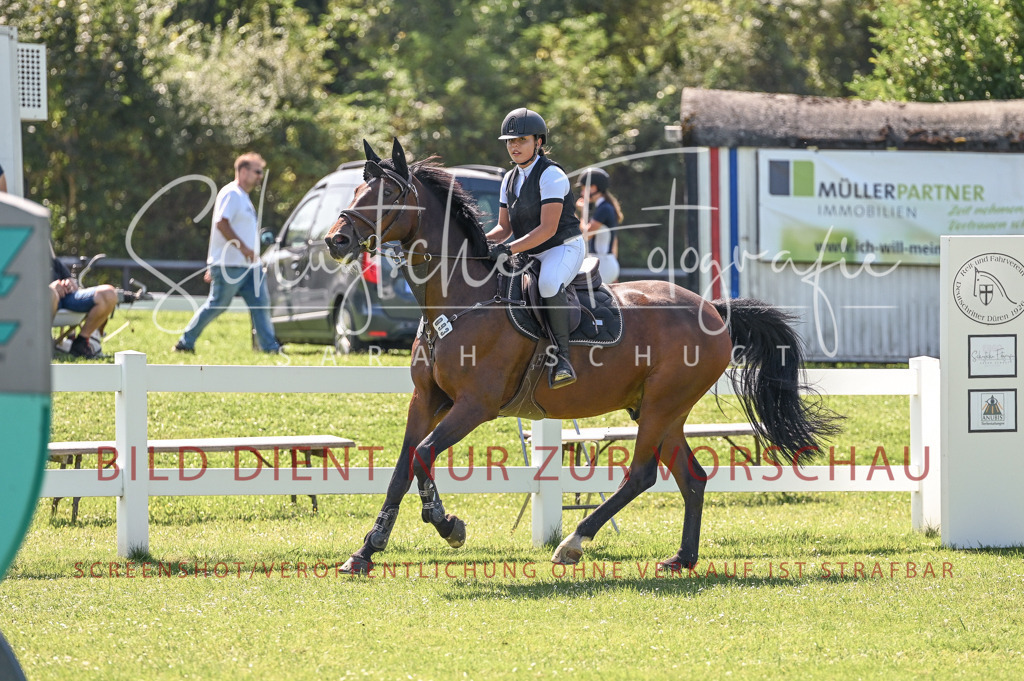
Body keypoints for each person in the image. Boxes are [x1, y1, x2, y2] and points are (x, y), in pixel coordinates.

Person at [485, 107, 585, 389]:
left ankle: (562, 359)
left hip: (562, 247)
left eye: (521, 140)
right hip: (529, 250)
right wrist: (480, 242)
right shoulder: (509, 179)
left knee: (550, 283)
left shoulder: (551, 175)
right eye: (510, 141)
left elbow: (547, 229)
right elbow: (503, 228)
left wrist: (509, 249)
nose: (514, 146)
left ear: (538, 142)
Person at [174, 152, 281, 353]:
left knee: (261, 305)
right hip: (230, 265)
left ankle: (270, 348)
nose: (260, 176)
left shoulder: (244, 197)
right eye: (257, 171)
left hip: (250, 266)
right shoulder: (231, 193)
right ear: (243, 171)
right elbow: (221, 224)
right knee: (218, 305)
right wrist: (242, 250)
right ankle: (185, 343)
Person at [50, 254, 117, 359]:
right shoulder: (21, 262)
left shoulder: (53, 262)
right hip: (44, 300)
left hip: (68, 298)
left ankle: (81, 343)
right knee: (50, 293)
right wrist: (51, 288)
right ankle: (42, 344)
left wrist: (70, 284)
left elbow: (73, 284)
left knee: (109, 294)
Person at [575, 167, 622, 283]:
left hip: (603, 264)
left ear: (594, 188)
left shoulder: (604, 208)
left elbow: (586, 235)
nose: (581, 193)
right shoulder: (604, 207)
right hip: (605, 263)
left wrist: (582, 212)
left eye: (583, 188)